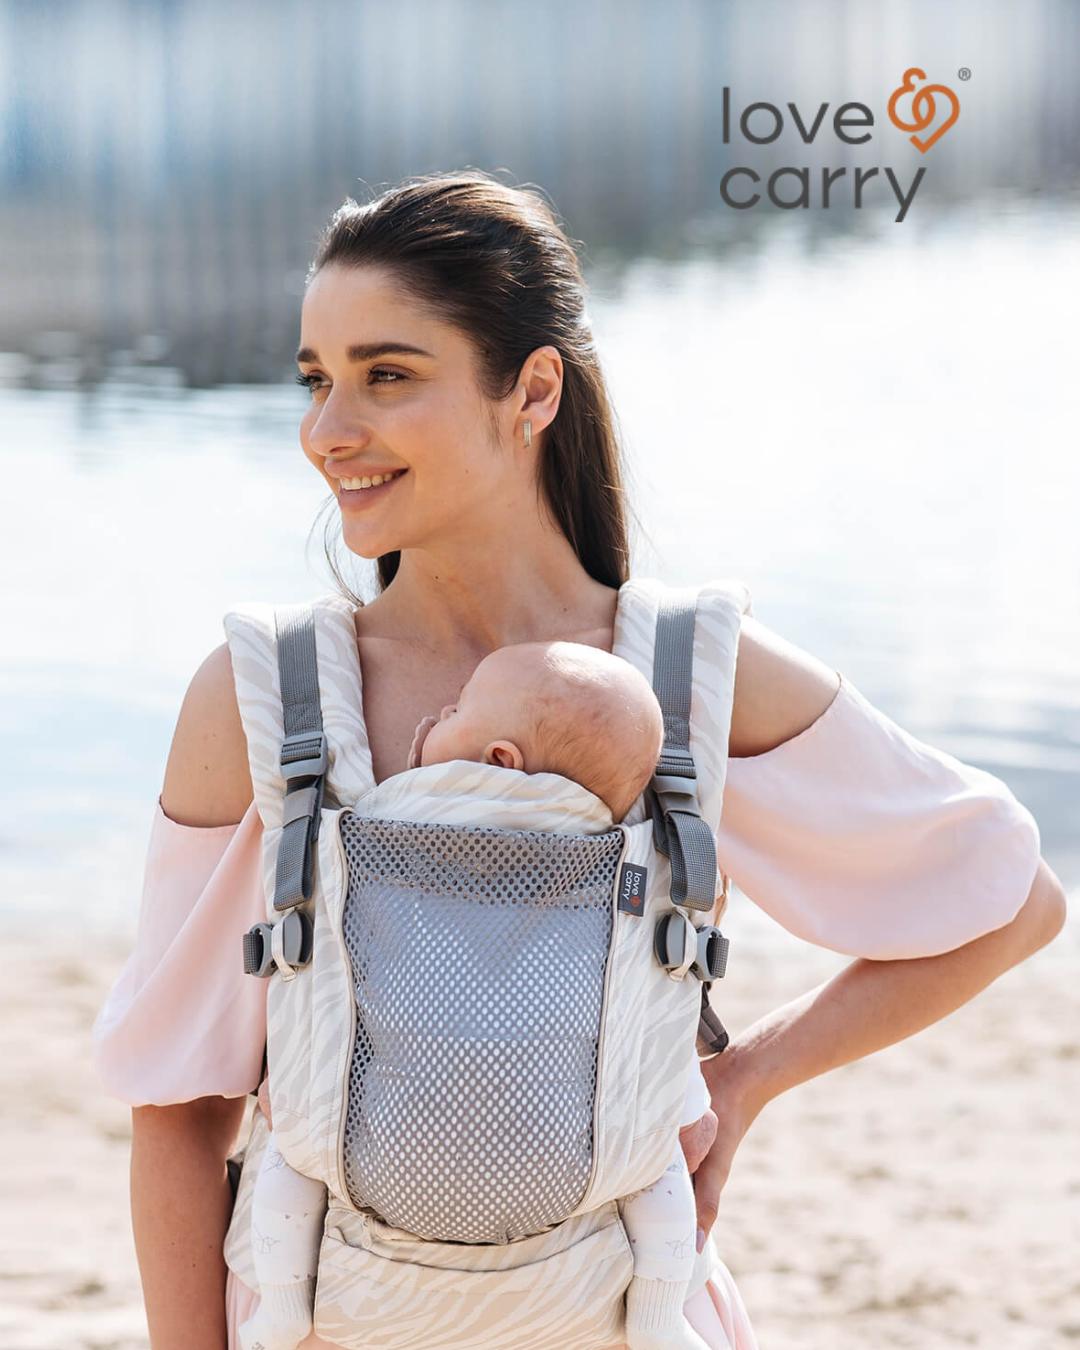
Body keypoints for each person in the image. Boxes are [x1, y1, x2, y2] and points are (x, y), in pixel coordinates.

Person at [90, 170, 1065, 1350]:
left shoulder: (685, 668)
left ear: (532, 389)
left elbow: (1006, 901)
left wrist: (744, 1079)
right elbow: (180, 1108)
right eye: (317, 380)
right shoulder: (262, 694)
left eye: (386, 376)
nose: (327, 430)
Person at [240, 637, 716, 1350]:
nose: (439, 711)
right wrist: (698, 1103)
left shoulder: (397, 818)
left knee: (288, 1158)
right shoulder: (614, 865)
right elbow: (652, 1018)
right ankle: (659, 1314)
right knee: (658, 1166)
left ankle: (281, 1307)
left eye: (457, 709)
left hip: (373, 1147)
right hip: (573, 1158)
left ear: (498, 760)